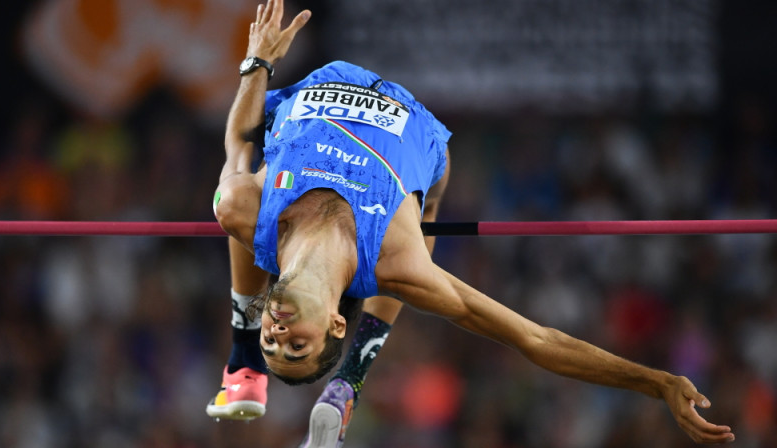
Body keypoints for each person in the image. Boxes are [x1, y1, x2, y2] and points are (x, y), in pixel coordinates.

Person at [206, 0, 735, 446]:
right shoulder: (400, 260)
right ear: (335, 325)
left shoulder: (245, 209)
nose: (279, 336)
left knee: (235, 209)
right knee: (421, 223)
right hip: (411, 131)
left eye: (272, 344)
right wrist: (656, 382)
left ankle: (242, 358)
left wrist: (256, 63)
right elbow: (537, 340)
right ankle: (351, 376)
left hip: (313, 96)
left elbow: (240, 141)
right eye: (295, 346)